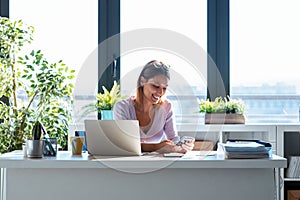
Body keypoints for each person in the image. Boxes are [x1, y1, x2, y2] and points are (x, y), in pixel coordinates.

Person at [113, 60, 195, 153]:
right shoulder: (122, 107)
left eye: (164, 88)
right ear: (142, 81)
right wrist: (157, 146)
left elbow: (173, 139)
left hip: (155, 162)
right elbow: (125, 145)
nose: (161, 92)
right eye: (156, 86)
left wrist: (182, 145)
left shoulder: (166, 107)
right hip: (127, 163)